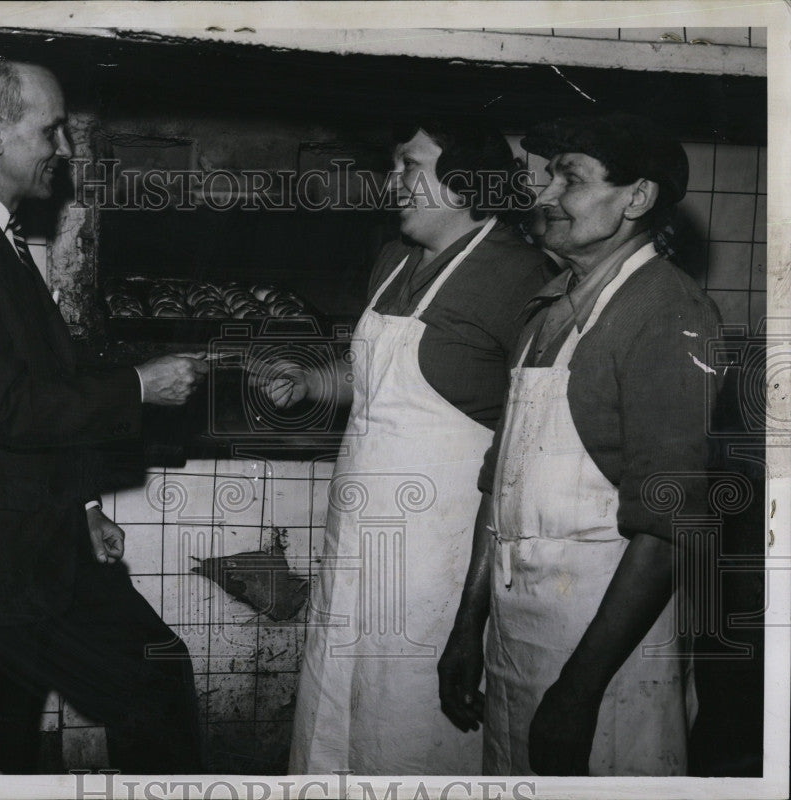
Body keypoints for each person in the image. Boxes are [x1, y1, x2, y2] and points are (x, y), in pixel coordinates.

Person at [0, 59, 208, 773]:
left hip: (41, 539)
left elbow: (36, 380)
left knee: (154, 674)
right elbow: (5, 405)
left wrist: (86, 502)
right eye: (51, 130)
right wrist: (136, 388)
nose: (63, 148)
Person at [257, 122, 551, 774]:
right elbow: (374, 381)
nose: (393, 183)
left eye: (411, 166)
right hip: (356, 533)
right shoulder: (392, 260)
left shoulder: (522, 276)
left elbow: (532, 438)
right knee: (334, 697)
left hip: (440, 554)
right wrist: (312, 380)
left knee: (412, 720)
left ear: (465, 183)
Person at [438, 111, 722, 776]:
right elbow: (500, 484)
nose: (543, 196)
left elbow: (670, 525)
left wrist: (579, 689)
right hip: (517, 631)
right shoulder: (547, 309)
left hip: (606, 651)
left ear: (636, 198)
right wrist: (466, 628)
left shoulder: (666, 312)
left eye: (568, 179)